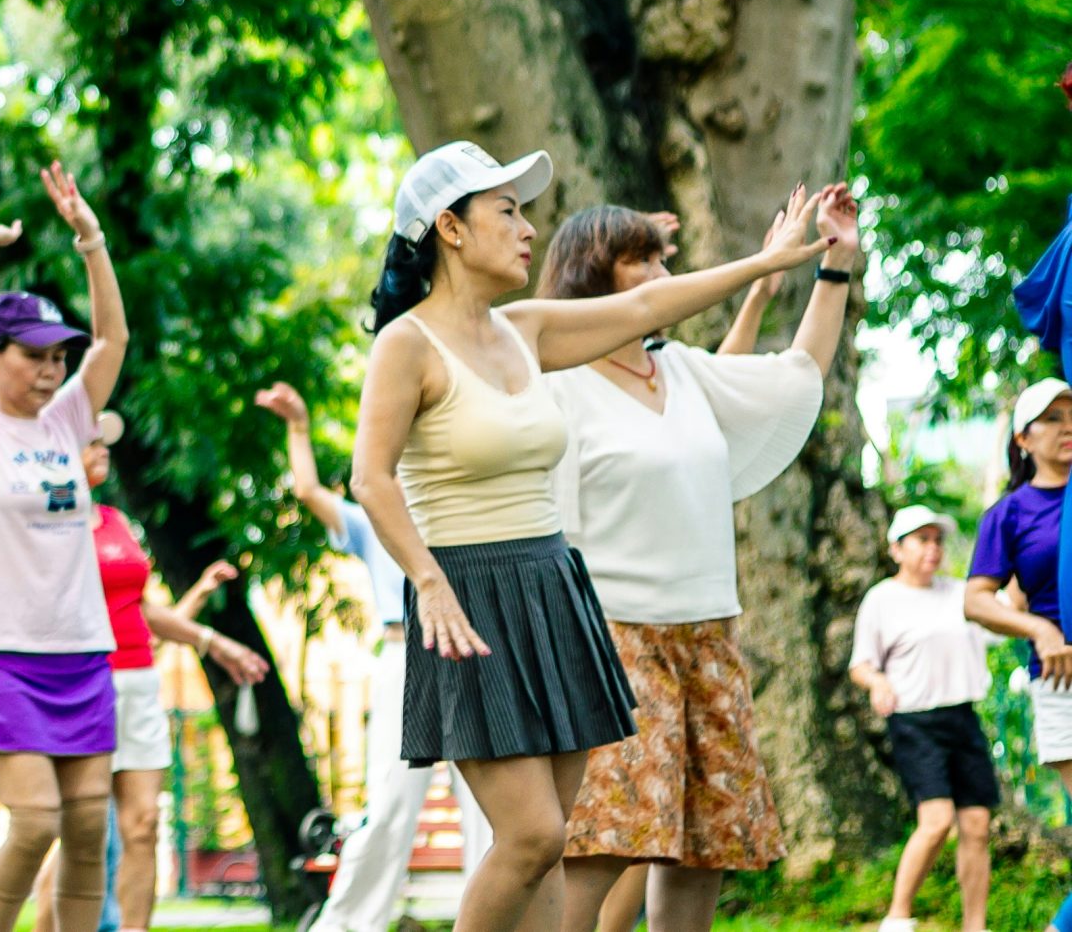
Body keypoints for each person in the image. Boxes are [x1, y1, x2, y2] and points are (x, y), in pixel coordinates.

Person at [348, 141, 836, 932]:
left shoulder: (526, 330)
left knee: (555, 847)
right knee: (532, 832)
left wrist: (765, 262)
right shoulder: (407, 344)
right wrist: (428, 580)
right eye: (507, 210)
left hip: (555, 590)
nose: (528, 228)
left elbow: (649, 310)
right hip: (471, 599)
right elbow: (370, 476)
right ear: (451, 228)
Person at [537, 188, 859, 932]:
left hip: (709, 637)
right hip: (615, 637)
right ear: (592, 275)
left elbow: (796, 373)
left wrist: (835, 269)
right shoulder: (559, 384)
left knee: (707, 842)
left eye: (660, 257)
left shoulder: (681, 370)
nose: (660, 272)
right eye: (639, 259)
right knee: (605, 838)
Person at [0, 163, 129, 932]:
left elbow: (112, 338)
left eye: (55, 356)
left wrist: (90, 238)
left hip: (81, 649)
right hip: (3, 655)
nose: (50, 370)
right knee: (36, 818)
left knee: (86, 832)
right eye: (32, 354)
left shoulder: (67, 418)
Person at [32, 412, 269, 932]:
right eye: (89, 442)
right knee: (79, 833)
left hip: (138, 681)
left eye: (103, 443)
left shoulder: (115, 521)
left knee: (142, 824)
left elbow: (138, 607)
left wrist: (216, 643)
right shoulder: (45, 523)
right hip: (82, 685)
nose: (102, 450)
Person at [256, 378, 456, 932]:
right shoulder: (374, 517)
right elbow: (310, 493)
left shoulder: (461, 509)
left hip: (472, 654)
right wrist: (299, 426)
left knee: (497, 808)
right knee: (391, 804)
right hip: (405, 657)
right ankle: (344, 926)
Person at [851, 505, 1000, 932]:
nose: (932, 549)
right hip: (915, 722)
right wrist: (878, 682)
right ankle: (897, 918)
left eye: (938, 540)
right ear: (897, 549)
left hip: (962, 717)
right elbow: (860, 664)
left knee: (976, 823)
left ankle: (976, 925)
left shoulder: (960, 594)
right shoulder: (882, 599)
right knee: (936, 821)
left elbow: (1005, 617)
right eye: (922, 540)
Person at [964, 378, 1072, 932]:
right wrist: (1039, 629)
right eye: (1051, 418)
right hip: (1062, 681)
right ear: (1023, 439)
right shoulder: (1010, 514)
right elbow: (976, 601)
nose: (1067, 425)